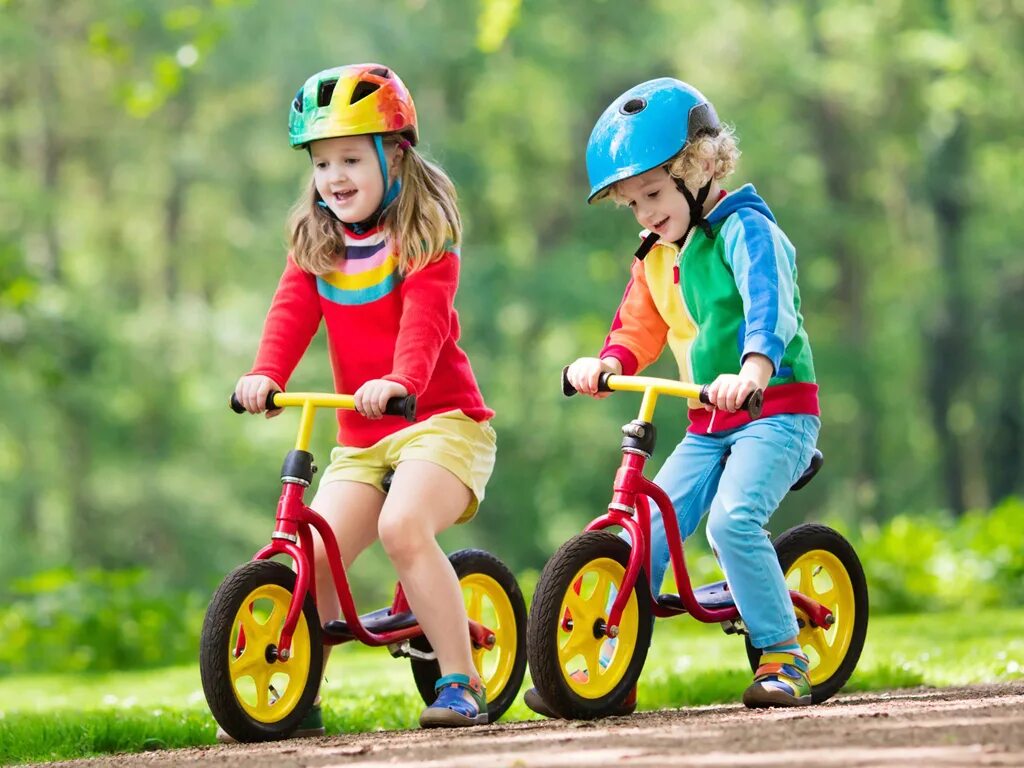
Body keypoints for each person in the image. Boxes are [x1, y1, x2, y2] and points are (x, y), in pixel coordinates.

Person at [527, 77, 820, 715]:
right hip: (707, 421)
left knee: (731, 521)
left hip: (774, 411)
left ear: (701, 167)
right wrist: (605, 364)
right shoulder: (658, 254)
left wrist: (753, 367)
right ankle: (613, 667)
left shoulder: (748, 230)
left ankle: (783, 654)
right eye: (632, 203)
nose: (646, 213)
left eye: (654, 194)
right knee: (646, 534)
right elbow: (639, 326)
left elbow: (773, 305)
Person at [230, 63, 497, 734]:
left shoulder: (424, 242)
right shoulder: (317, 245)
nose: (334, 177)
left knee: (401, 528)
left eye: (351, 158)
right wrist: (266, 375)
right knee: (310, 555)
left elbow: (426, 323)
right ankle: (297, 700)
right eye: (321, 164)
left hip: (441, 424)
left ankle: (461, 683)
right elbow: (290, 315)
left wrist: (402, 382)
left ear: (394, 155)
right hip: (362, 437)